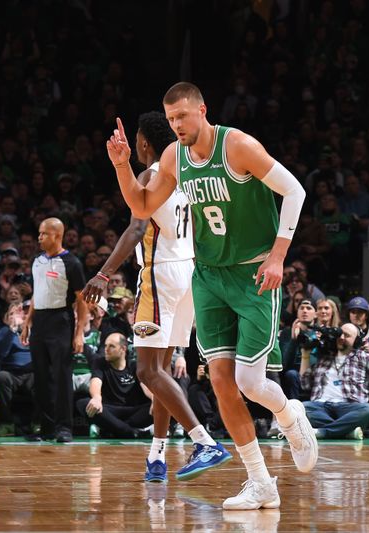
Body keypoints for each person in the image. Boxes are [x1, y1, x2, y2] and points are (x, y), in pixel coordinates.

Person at [108, 82, 316, 510]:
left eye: (183, 116)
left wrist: (278, 256)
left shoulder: (237, 145)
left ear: (203, 110)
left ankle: (290, 415)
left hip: (253, 273)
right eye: (170, 120)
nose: (177, 125)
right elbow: (143, 207)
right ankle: (260, 482)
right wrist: (122, 167)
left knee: (250, 382)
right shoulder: (172, 157)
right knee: (221, 382)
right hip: (207, 275)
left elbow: (295, 191)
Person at [83, 111, 230, 482]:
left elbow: (135, 229)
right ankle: (157, 455)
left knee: (146, 370)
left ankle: (203, 441)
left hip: (160, 276)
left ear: (144, 144)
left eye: (137, 139)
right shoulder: (185, 176)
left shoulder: (151, 175)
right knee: (161, 370)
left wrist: (103, 273)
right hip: (189, 274)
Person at [20, 218, 88, 443]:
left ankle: (64, 427)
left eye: (43, 234)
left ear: (57, 236)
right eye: (39, 233)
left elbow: (82, 300)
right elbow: (36, 293)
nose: (39, 238)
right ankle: (45, 427)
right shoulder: (37, 261)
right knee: (40, 376)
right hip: (39, 319)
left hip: (61, 320)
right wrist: (27, 322)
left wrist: (79, 332)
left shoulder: (72, 263)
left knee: (61, 375)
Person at [299, 323, 369, 439]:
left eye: (347, 335)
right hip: (321, 406)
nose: (341, 338)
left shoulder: (363, 357)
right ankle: (346, 431)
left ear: (356, 341)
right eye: (340, 334)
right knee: (299, 407)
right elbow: (304, 384)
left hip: (350, 407)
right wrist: (305, 355)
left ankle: (324, 432)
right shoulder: (325, 358)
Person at [76, 333, 154, 438]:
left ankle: (110, 428)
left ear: (123, 349)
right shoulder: (100, 363)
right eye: (106, 345)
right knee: (83, 403)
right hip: (109, 411)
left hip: (132, 411)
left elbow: (146, 385)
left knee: (162, 404)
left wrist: (155, 399)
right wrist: (96, 397)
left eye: (111, 346)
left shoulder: (134, 365)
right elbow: (96, 381)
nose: (106, 349)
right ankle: (132, 432)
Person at [0, 302, 35, 436]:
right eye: (13, 313)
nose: (18, 315)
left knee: (44, 377)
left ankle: (38, 422)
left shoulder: (37, 331)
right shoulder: (5, 332)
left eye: (21, 312)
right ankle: (6, 423)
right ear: (7, 318)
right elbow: (1, 354)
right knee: (0, 377)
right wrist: (12, 330)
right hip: (11, 373)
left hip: (32, 373)